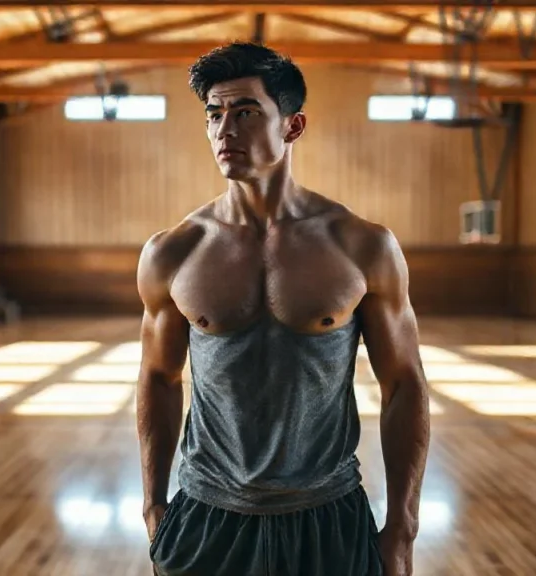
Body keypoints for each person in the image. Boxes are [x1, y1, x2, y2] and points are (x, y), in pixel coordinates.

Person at [135, 41, 431, 576]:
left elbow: (404, 384)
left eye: (246, 112)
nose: (225, 130)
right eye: (214, 114)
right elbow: (159, 376)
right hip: (207, 514)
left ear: (292, 126)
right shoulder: (173, 251)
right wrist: (154, 504)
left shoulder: (361, 246)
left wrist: (403, 525)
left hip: (326, 515)